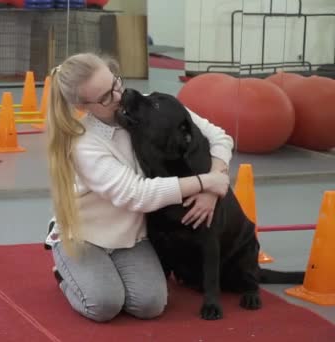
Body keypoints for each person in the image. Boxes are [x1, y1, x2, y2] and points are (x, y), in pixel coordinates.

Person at [44, 52, 233, 322]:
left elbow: (218, 136)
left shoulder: (144, 105)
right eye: (106, 97)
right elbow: (137, 194)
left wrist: (214, 186)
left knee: (150, 305)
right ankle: (65, 273)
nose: (119, 96)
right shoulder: (84, 144)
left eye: (115, 83)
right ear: (83, 106)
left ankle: (100, 274)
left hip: (132, 235)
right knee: (104, 305)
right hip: (85, 235)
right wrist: (204, 182)